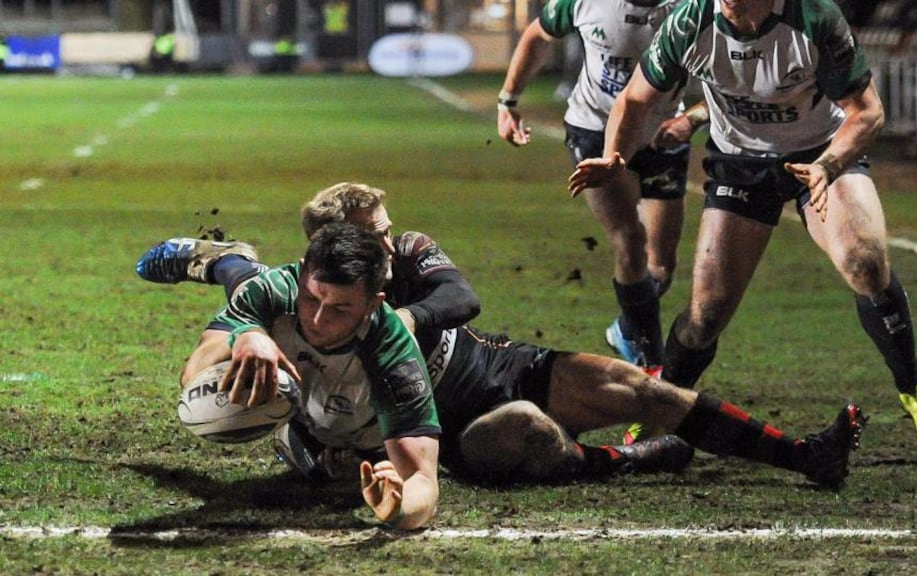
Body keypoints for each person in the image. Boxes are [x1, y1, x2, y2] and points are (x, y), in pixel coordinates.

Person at [139, 182, 866, 489]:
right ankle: (628, 460)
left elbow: (463, 297)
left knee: (638, 385)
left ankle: (806, 457)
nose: (391, 244)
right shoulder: (313, 291)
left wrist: (402, 319)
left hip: (487, 364)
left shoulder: (406, 257)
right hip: (448, 418)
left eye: (388, 234)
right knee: (521, 436)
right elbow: (246, 303)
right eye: (376, 238)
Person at [569, 0, 917, 447]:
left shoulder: (813, 18)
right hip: (740, 166)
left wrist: (828, 166)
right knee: (705, 317)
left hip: (822, 153)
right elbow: (635, 98)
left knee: (864, 261)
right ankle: (662, 406)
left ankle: (915, 389)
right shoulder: (689, 22)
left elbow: (867, 112)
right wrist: (615, 155)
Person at [176, 222, 442, 530]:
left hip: (371, 443)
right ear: (302, 273)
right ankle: (229, 262)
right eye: (312, 298)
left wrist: (398, 508)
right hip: (308, 417)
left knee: (338, 476)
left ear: (373, 304)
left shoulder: (393, 353)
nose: (318, 319)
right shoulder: (272, 290)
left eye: (340, 309)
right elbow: (193, 375)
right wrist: (245, 334)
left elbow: (423, 481)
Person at [497, 0, 692, 379]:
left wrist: (694, 117)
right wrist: (508, 100)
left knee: (662, 265)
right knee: (629, 240)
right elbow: (539, 34)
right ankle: (652, 360)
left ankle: (625, 328)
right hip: (595, 131)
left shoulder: (692, 9)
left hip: (661, 135)